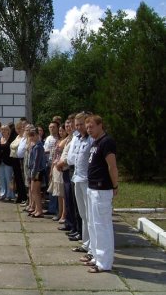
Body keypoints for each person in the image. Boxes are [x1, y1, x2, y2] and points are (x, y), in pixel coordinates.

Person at [84, 115, 119, 273]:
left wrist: (115, 185)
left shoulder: (107, 142)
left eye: (91, 127)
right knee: (92, 224)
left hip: (102, 189)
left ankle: (104, 263)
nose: (89, 130)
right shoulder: (95, 143)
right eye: (87, 128)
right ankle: (97, 257)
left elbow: (112, 166)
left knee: (102, 226)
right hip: (92, 188)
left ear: (100, 125)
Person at [70, 112, 94, 246]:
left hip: (87, 180)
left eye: (81, 124)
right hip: (77, 178)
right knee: (83, 214)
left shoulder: (91, 139)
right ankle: (86, 243)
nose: (78, 127)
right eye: (76, 124)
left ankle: (92, 246)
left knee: (89, 215)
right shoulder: (78, 139)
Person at [27, 128, 46, 218]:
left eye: (33, 135)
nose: (31, 137)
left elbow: (36, 161)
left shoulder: (38, 146)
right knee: (33, 191)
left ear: (37, 136)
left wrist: (33, 173)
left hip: (37, 171)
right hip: (34, 170)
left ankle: (39, 210)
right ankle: (37, 209)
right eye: (30, 136)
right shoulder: (34, 146)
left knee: (35, 191)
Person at [10, 120, 28, 203]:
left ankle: (24, 196)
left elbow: (16, 147)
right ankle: (20, 196)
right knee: (17, 179)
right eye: (17, 128)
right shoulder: (17, 137)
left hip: (20, 159)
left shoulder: (24, 137)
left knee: (22, 179)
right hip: (14, 159)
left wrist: (13, 146)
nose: (19, 130)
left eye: (20, 128)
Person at [0, 124, 14, 201]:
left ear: (8, 131)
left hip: (9, 162)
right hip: (0, 162)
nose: (3, 131)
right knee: (1, 179)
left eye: (5, 129)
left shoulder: (11, 140)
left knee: (9, 179)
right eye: (2, 129)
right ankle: (3, 194)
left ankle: (9, 195)